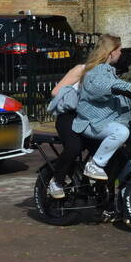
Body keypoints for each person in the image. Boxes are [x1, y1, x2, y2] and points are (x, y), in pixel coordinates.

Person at [72, 34, 131, 181]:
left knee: (127, 146)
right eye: (119, 50)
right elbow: (105, 87)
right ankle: (95, 164)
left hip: (102, 122)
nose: (121, 54)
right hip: (91, 123)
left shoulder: (108, 70)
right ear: (111, 52)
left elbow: (116, 91)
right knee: (121, 132)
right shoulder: (96, 71)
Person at [45, 61, 85, 198]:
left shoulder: (110, 72)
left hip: (88, 119)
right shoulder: (81, 69)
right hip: (69, 116)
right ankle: (57, 180)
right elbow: (55, 92)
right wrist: (75, 97)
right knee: (74, 147)